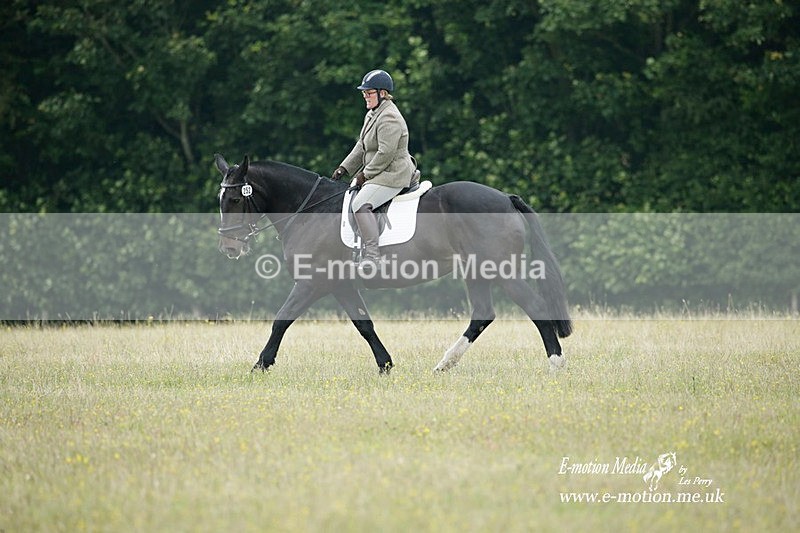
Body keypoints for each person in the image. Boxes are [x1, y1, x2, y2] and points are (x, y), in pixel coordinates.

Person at [332, 69, 416, 273]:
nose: (365, 97)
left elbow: (385, 154)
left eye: (369, 93)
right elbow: (361, 145)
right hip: (380, 171)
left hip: (393, 173)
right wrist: (344, 168)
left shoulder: (389, 118)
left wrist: (364, 175)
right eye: (364, 94)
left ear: (383, 93)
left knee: (360, 204)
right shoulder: (373, 114)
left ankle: (372, 256)